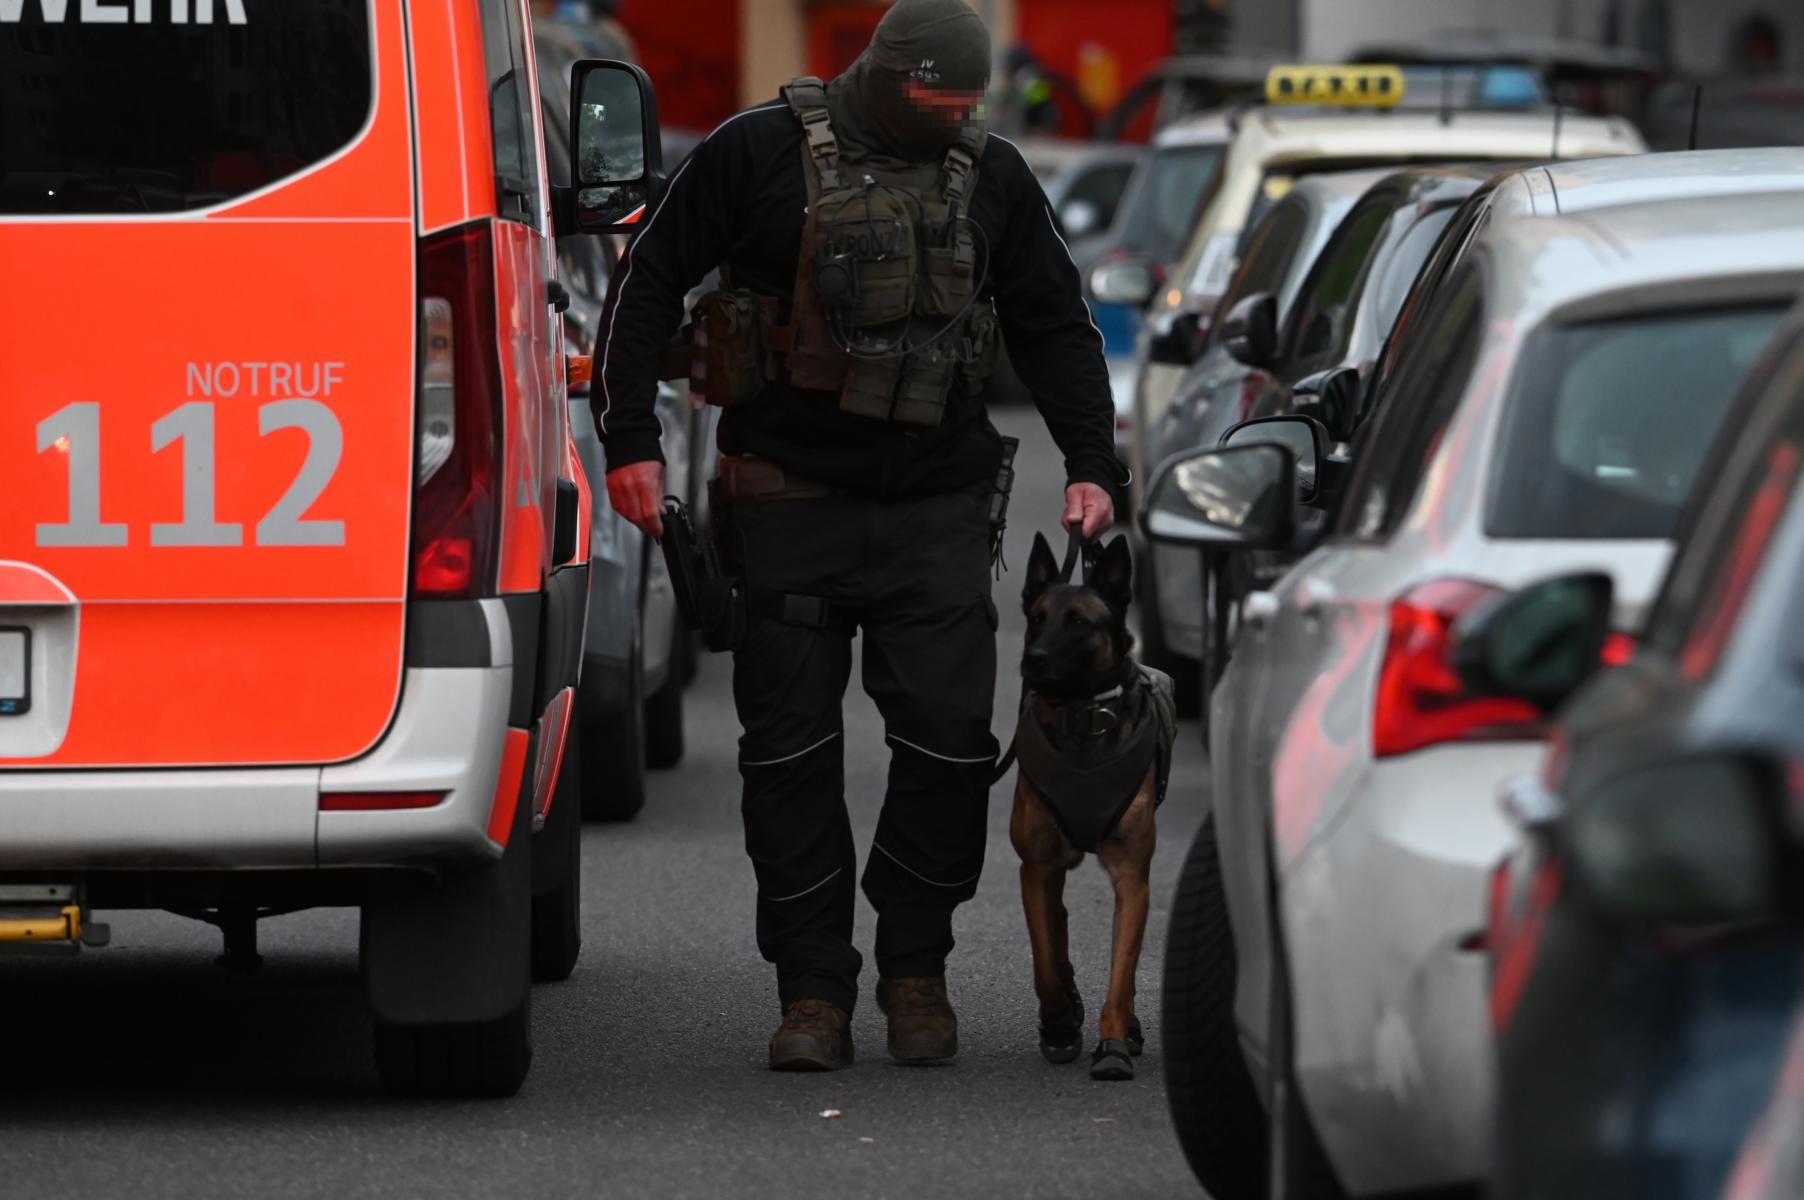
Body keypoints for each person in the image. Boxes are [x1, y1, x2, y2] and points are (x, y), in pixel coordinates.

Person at [592, 0, 1120, 1071]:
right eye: (933, 101)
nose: (950, 121)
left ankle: (915, 971)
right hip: (787, 499)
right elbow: (645, 283)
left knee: (948, 741)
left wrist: (1092, 468)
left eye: (964, 106)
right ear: (883, 76)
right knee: (788, 756)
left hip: (935, 507)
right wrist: (630, 441)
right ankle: (814, 992)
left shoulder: (996, 175)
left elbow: (1055, 322)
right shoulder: (754, 152)